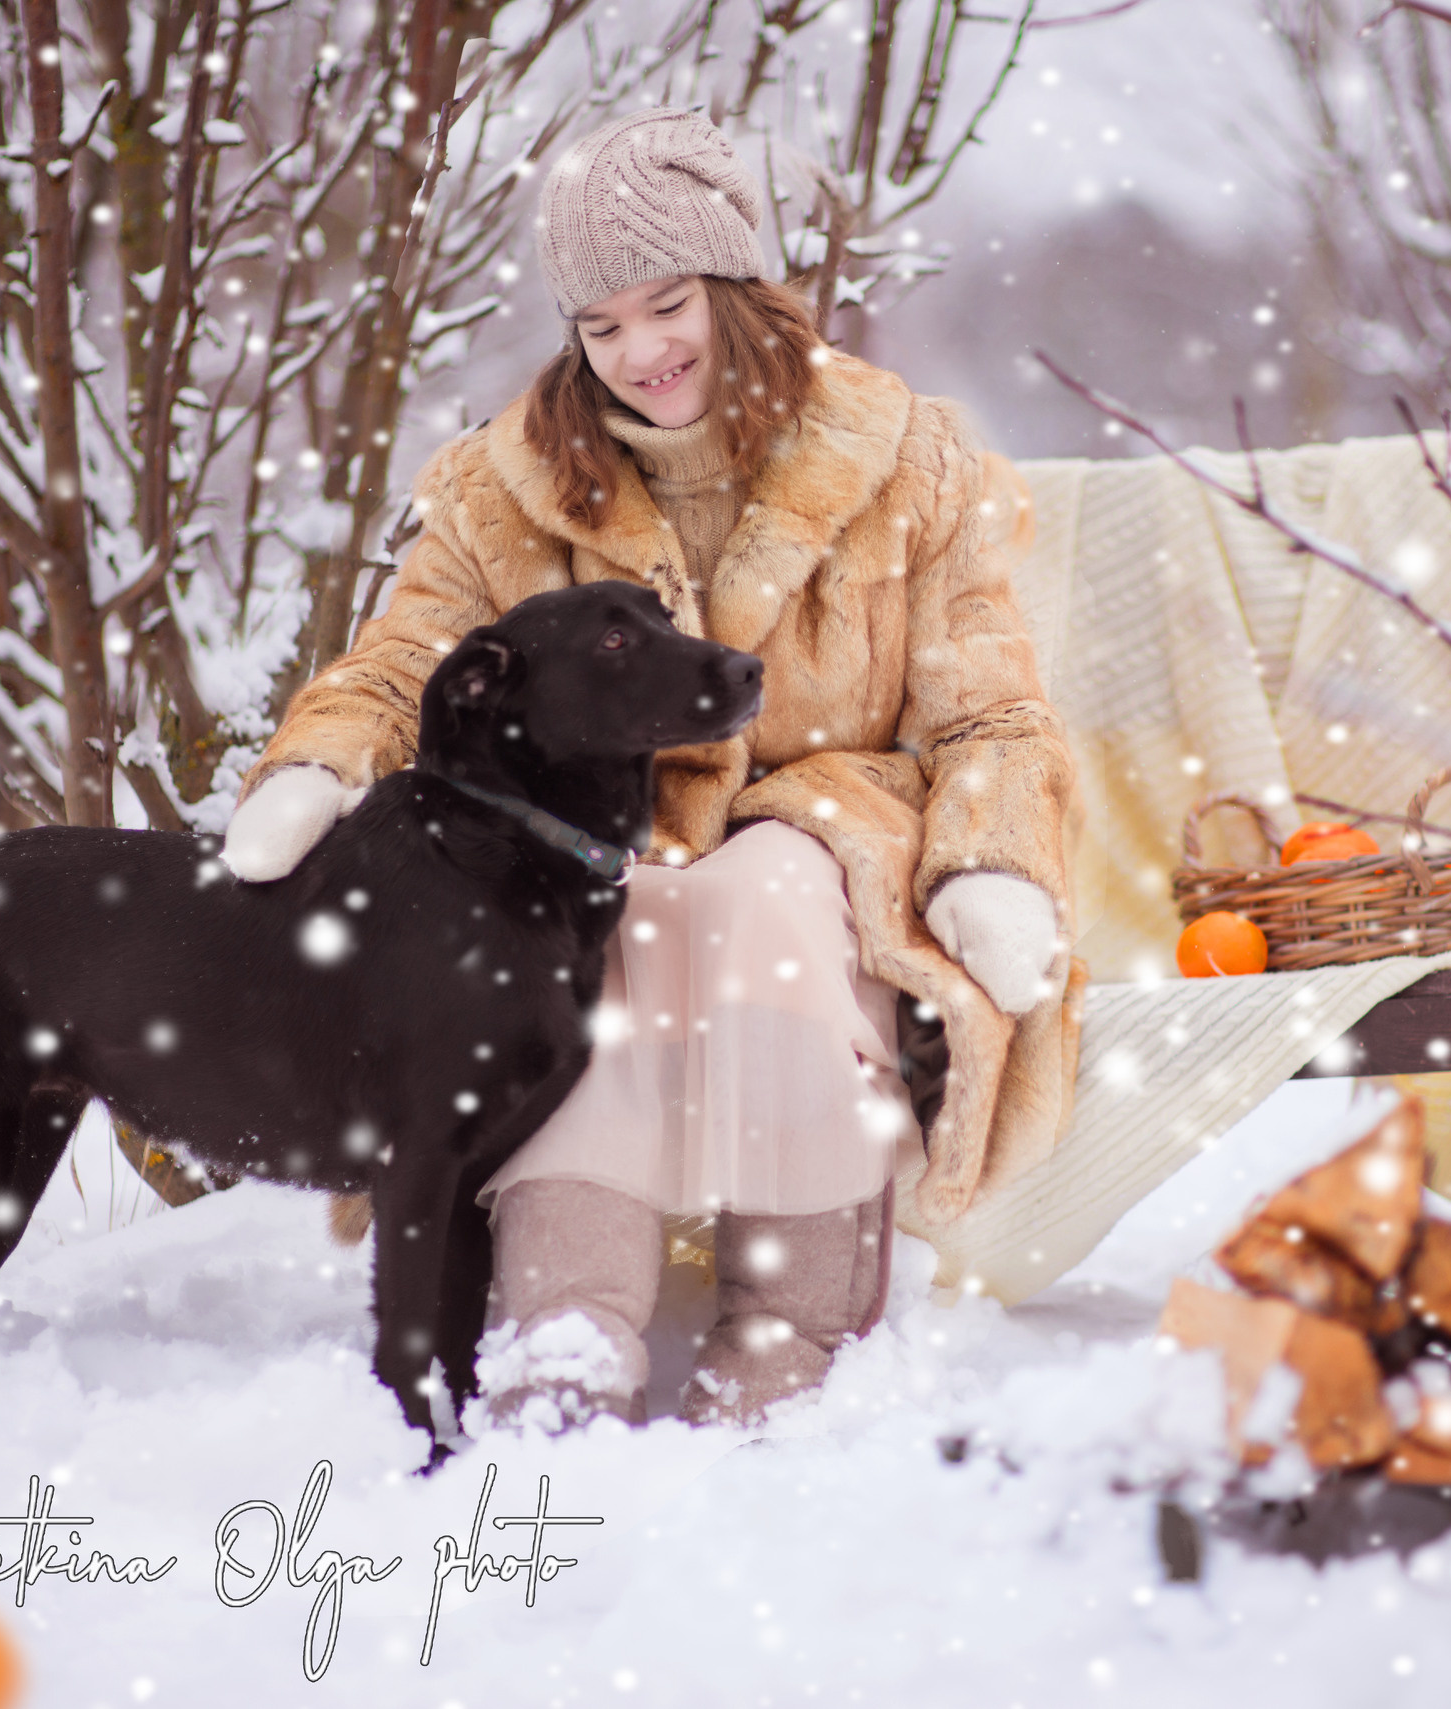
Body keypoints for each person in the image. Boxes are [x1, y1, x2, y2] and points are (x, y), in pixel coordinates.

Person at [220, 108, 1078, 1428]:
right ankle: (567, 1319)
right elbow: (405, 664)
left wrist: (990, 864)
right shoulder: (504, 486)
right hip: (608, 870)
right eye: (603, 325)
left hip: (827, 848)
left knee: (754, 887)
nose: (642, 353)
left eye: (669, 305)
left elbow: (991, 712)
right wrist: (318, 765)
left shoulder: (909, 458)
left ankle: (785, 1317)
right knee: (599, 914)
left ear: (739, 290)